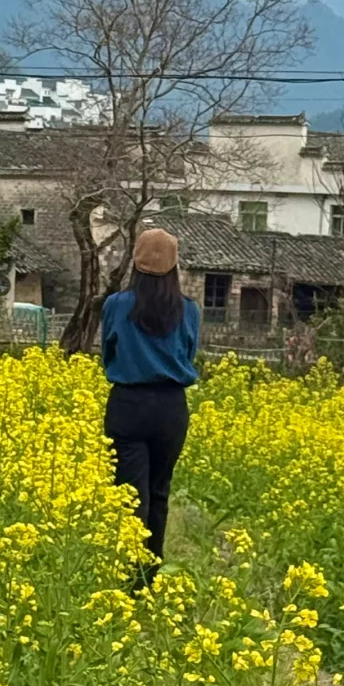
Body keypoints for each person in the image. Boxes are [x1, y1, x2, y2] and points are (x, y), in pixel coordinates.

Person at [101, 228, 200, 587]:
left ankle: (125, 575)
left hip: (128, 403)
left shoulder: (116, 305)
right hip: (172, 407)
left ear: (136, 263)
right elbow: (188, 355)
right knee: (158, 494)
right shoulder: (188, 310)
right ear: (175, 266)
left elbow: (107, 353)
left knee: (129, 495)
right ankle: (147, 578)